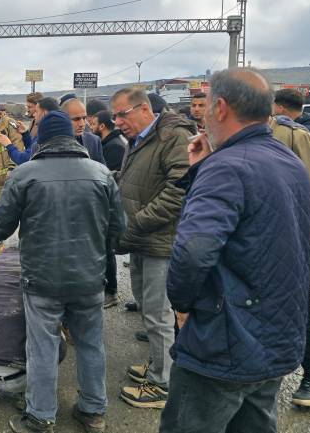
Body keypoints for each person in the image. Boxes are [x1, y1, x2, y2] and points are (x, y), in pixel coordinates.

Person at [160, 68, 310, 433]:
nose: (202, 114)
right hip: (276, 336)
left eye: (206, 104)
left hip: (224, 341)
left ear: (222, 107)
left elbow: (194, 251)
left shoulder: (227, 168)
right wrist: (203, 168)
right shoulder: (289, 161)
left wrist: (181, 304)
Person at [0, 111, 125, 433]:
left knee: (42, 348)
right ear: (72, 137)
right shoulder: (101, 173)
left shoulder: (25, 174)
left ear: (42, 140)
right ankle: (93, 412)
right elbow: (119, 229)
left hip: (42, 280)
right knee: (91, 345)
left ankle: (40, 417)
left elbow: (0, 227)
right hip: (89, 279)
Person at [110, 86, 195, 409]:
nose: (117, 121)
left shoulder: (174, 137)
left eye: (122, 114)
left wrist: (138, 221)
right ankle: (160, 365)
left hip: (159, 240)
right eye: (115, 115)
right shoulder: (141, 137)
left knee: (159, 314)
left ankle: (163, 384)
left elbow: (179, 189)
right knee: (146, 304)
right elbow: (135, 178)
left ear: (144, 109)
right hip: (140, 239)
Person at [268, 113, 310, 407]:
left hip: (293, 236)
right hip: (251, 240)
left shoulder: (294, 135)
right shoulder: (222, 137)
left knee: (299, 304)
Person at [0, 234, 66, 409]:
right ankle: (23, 393)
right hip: (22, 376)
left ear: (2, 247)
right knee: (54, 328)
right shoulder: (40, 269)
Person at [88, 110, 128, 309]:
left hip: (106, 205)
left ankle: (110, 291)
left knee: (106, 248)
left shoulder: (113, 147)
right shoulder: (105, 142)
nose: (87, 125)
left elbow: (109, 178)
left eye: (91, 122)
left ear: (101, 125)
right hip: (100, 205)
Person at [59, 94, 107, 165]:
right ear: (63, 119)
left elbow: (102, 172)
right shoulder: (50, 142)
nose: (82, 124)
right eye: (76, 119)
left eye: (84, 118)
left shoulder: (94, 141)